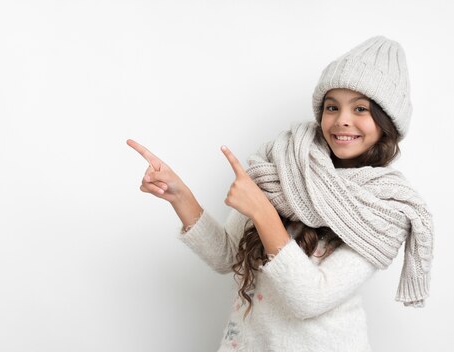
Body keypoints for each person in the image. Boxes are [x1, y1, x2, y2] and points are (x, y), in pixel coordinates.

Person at [127, 36, 434, 351]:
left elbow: (311, 298)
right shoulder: (282, 167)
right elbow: (226, 256)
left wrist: (262, 212)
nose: (343, 119)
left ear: (387, 123)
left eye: (360, 109)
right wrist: (180, 196)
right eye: (332, 106)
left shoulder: (387, 207)